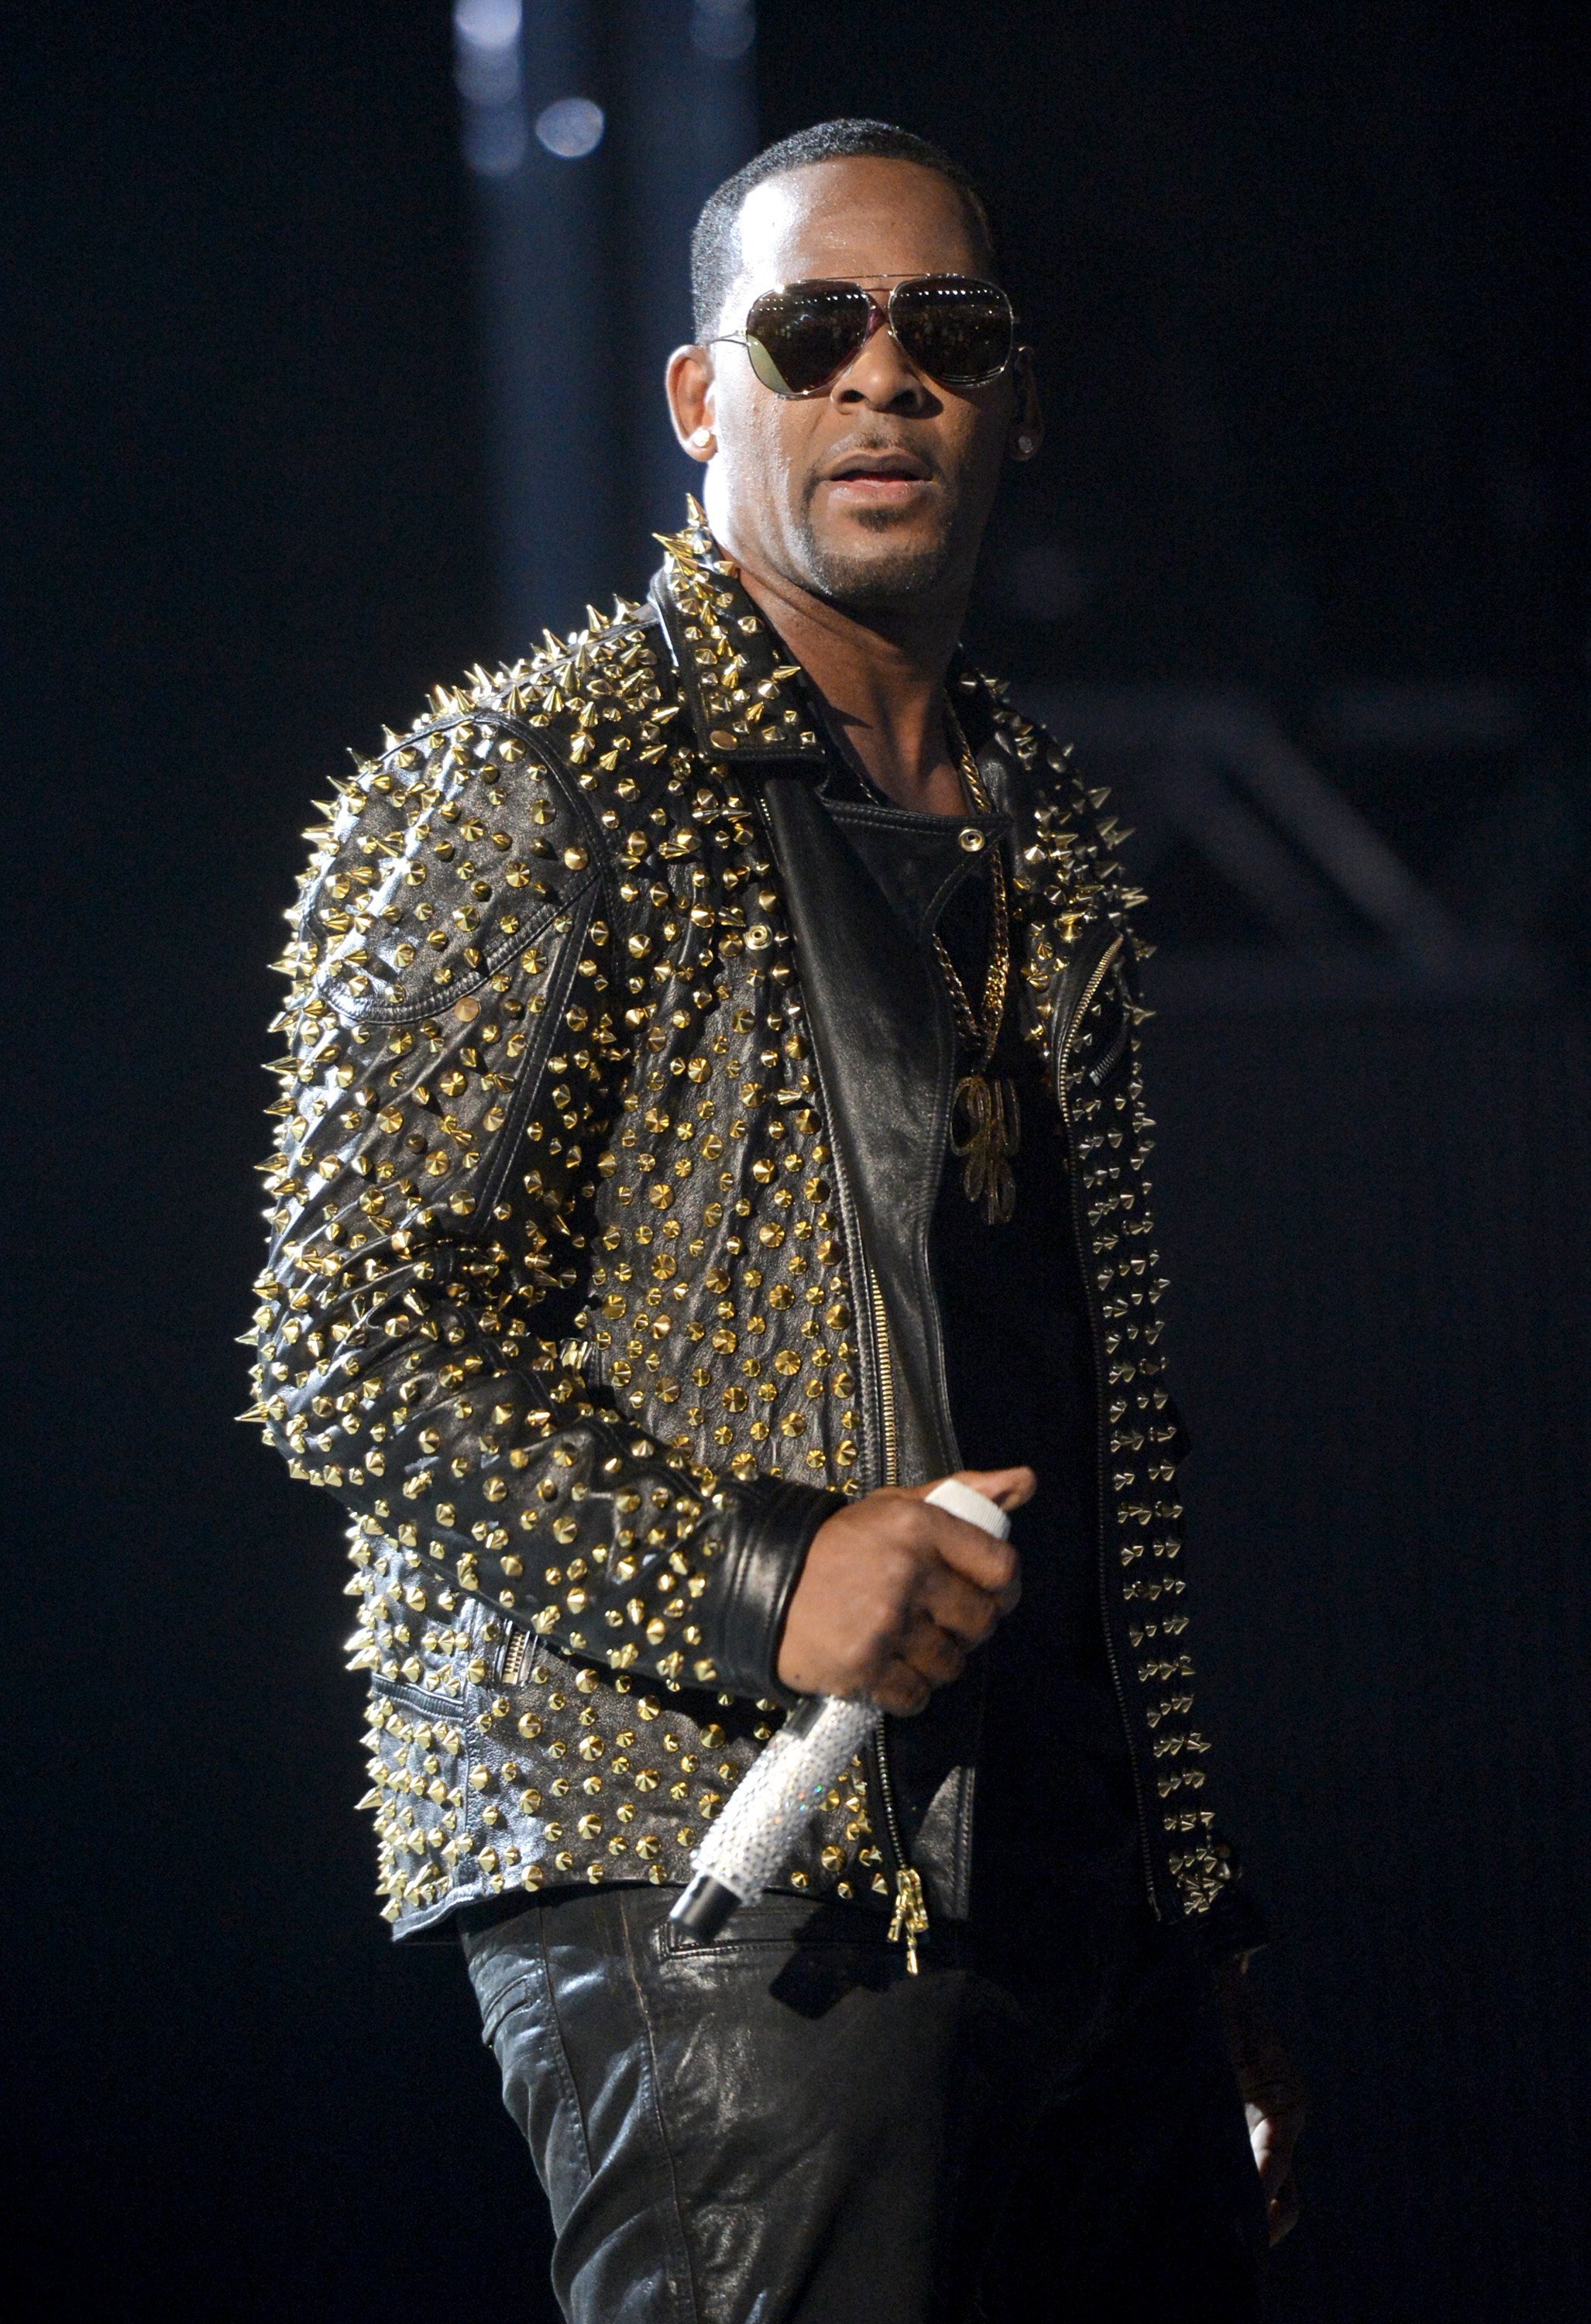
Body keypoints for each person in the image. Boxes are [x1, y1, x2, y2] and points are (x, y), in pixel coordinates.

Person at [250, 117, 1303, 2323]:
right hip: (726, 1882)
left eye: (950, 332)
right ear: (701, 396)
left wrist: (1192, 1925)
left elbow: (1091, 1446)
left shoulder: (1049, 831)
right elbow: (346, 1337)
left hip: (1066, 1898)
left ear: (1016, 391)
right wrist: (761, 1567)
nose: (884, 379)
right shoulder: (537, 782)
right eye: (813, 330)